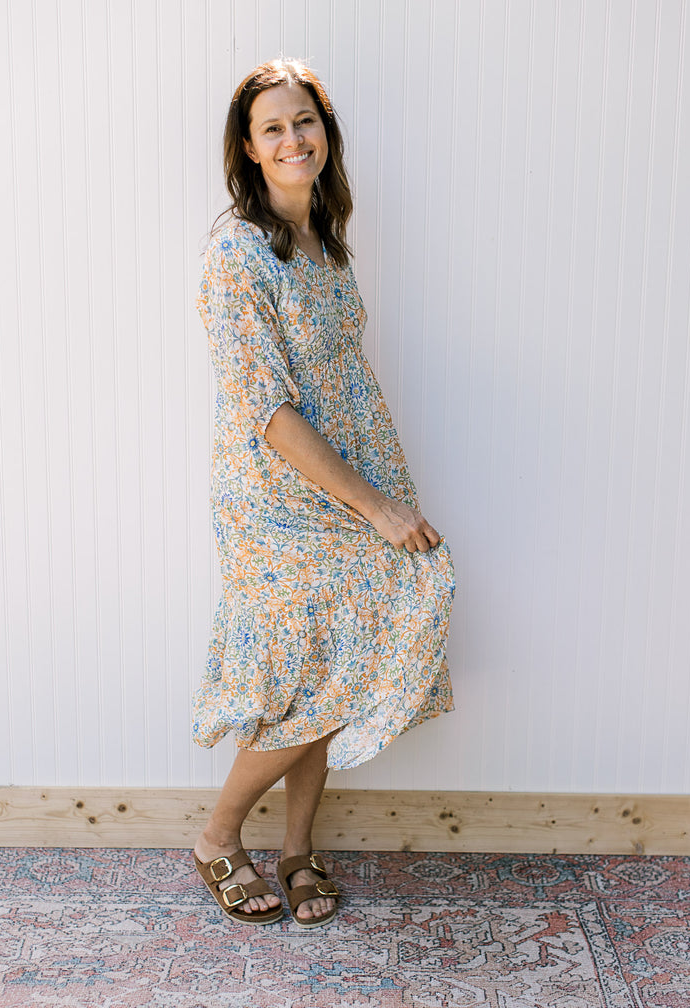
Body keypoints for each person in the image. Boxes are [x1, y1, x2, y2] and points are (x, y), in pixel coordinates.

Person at [193, 58, 455, 929]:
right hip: (281, 497)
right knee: (303, 667)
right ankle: (218, 834)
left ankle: (299, 848)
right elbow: (265, 408)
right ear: (249, 148)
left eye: (305, 121)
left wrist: (381, 487)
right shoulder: (235, 256)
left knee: (330, 669)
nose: (293, 138)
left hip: (357, 478)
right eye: (273, 127)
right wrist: (374, 506)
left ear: (325, 134)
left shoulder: (325, 241)